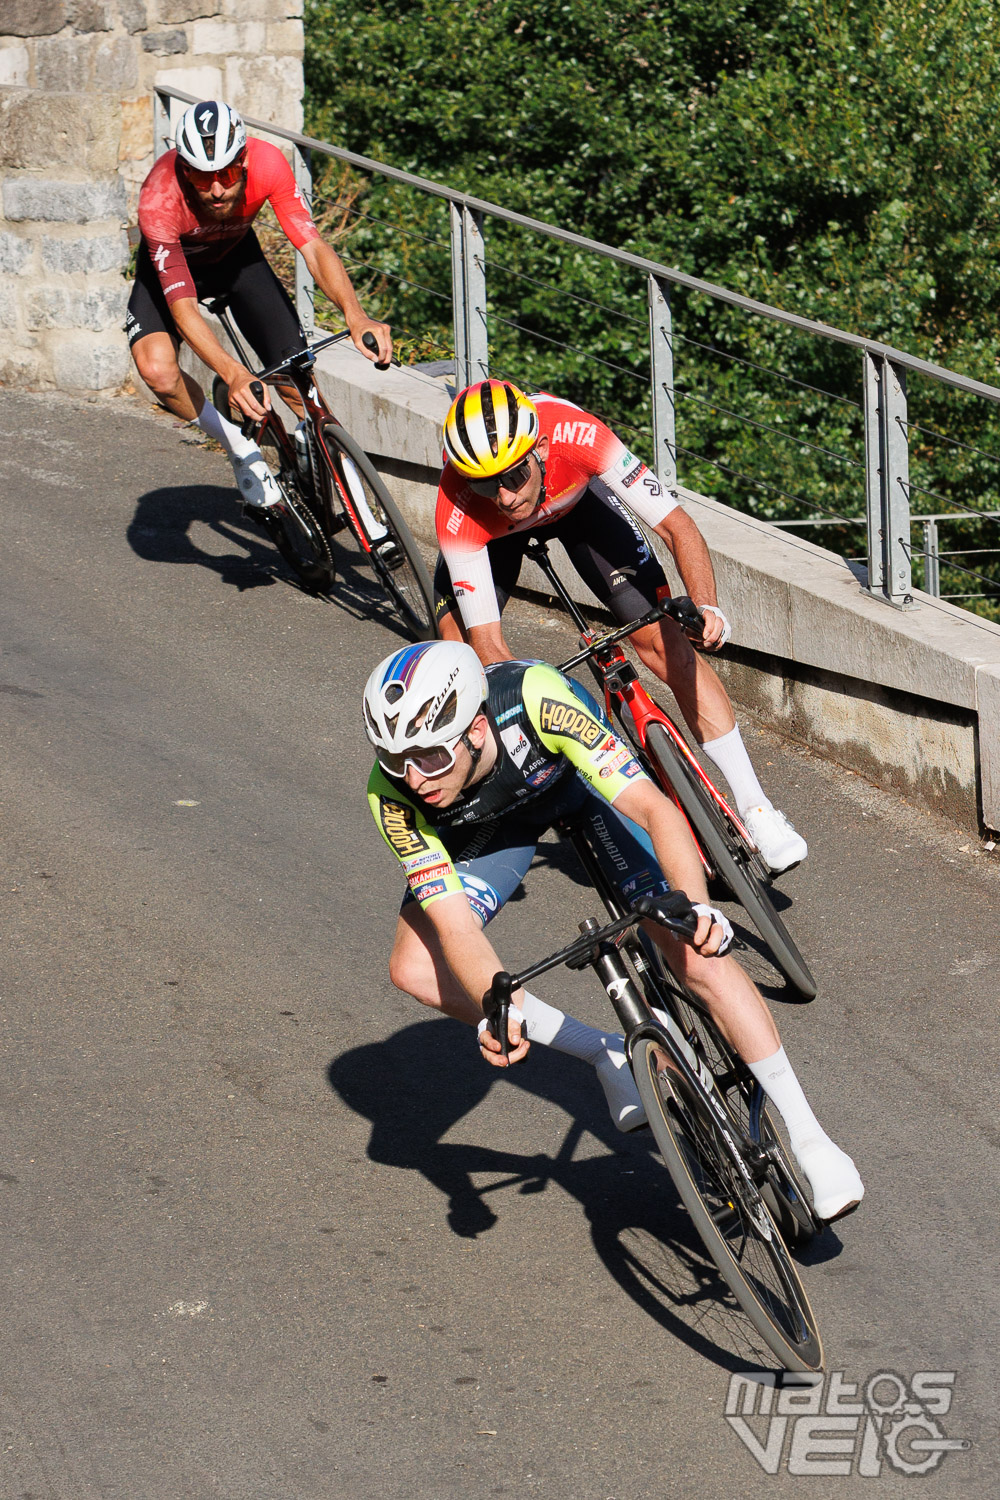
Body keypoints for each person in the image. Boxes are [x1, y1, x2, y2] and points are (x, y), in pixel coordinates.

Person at [363, 639, 864, 1223]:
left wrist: (696, 909)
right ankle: (604, 1052)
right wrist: (494, 1004)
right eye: (394, 759)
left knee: (690, 948)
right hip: (492, 827)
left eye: (429, 757)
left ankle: (811, 1139)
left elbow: (655, 811)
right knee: (413, 968)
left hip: (579, 784)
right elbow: (455, 927)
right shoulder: (391, 795)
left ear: (475, 729)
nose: (412, 777)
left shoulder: (536, 699)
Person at [433, 378, 807, 875]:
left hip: (576, 507)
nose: (503, 496)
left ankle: (757, 808)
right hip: (491, 542)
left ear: (539, 448)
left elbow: (676, 525)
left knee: (665, 643)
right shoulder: (459, 501)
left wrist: (706, 606)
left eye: (515, 475)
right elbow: (489, 646)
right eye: (486, 484)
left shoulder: (580, 436)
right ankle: (488, 793)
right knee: (459, 656)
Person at [125, 99, 391, 512]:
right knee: (157, 372)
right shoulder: (159, 197)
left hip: (238, 261)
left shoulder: (268, 163)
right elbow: (183, 308)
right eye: (202, 177)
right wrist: (232, 372)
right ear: (184, 169)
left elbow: (313, 246)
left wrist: (355, 315)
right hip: (174, 272)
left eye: (228, 174)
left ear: (244, 161)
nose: (217, 190)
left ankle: (353, 498)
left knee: (296, 382)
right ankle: (238, 445)